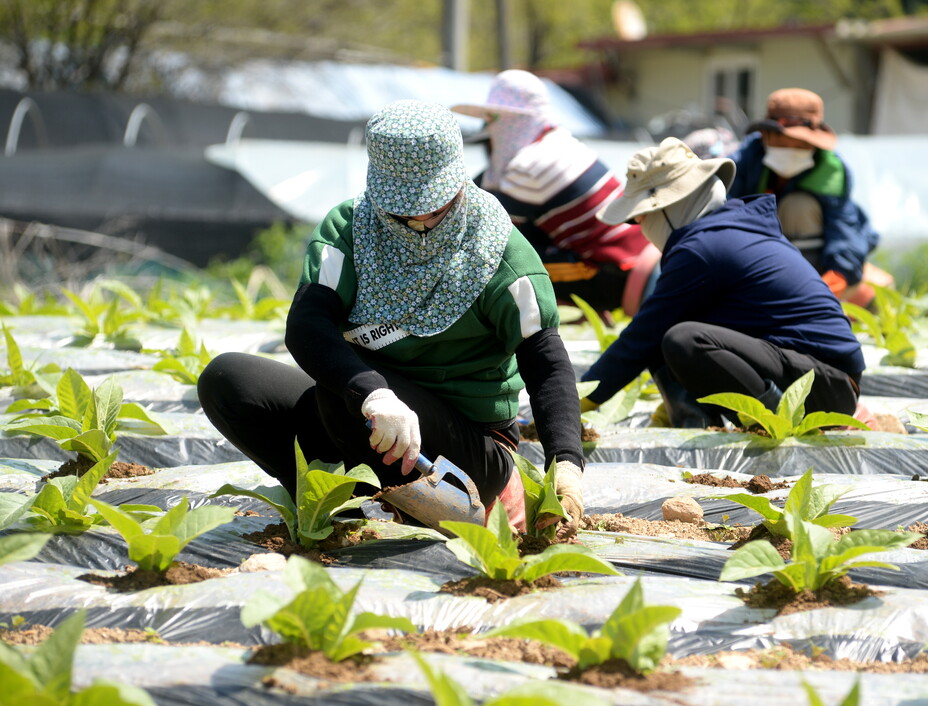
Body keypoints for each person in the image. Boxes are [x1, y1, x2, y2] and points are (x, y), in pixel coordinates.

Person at [198, 100, 585, 536]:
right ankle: (341, 516)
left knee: (341, 402)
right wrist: (375, 395)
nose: (421, 220)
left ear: (458, 183)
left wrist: (566, 463)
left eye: (436, 208)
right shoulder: (349, 230)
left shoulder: (501, 254)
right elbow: (308, 324)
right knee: (228, 379)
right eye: (403, 212)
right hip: (369, 413)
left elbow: (545, 361)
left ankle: (457, 508)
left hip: (466, 445)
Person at [579, 137, 866, 429]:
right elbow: (651, 334)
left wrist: (573, 403)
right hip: (819, 376)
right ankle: (694, 420)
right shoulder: (727, 232)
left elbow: (637, 341)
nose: (642, 228)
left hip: (824, 385)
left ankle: (774, 421)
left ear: (669, 208)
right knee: (667, 327)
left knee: (684, 339)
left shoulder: (702, 248)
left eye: (641, 218)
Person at [451, 70, 660, 317]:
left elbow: (489, 228)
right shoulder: (558, 143)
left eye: (491, 120)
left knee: (498, 264)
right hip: (636, 256)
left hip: (612, 269)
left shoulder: (528, 166)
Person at [727, 88, 890, 308]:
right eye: (785, 141)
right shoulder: (746, 159)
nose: (793, 149)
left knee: (798, 206)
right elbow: (723, 210)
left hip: (817, 260)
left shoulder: (830, 169)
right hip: (761, 254)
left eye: (802, 143)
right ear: (766, 136)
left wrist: (833, 281)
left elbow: (844, 233)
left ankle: (836, 292)